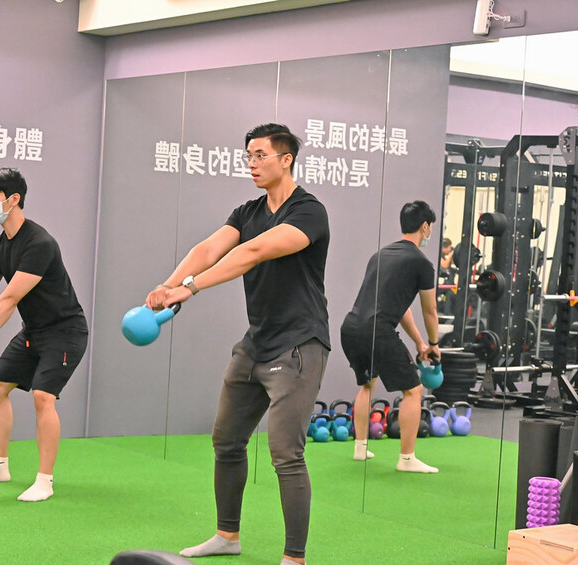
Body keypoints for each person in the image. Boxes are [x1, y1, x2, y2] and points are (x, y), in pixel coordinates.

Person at [146, 123, 330, 565]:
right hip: (256, 342)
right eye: (248, 156)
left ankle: (294, 558)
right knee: (227, 441)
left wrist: (189, 288)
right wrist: (168, 285)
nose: (252, 163)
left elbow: (252, 253)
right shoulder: (248, 212)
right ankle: (227, 535)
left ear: (286, 159)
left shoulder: (309, 212)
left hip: (298, 345)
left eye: (261, 155)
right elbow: (209, 248)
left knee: (286, 455)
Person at [0, 167, 88, 502]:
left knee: (43, 396)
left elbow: (9, 298)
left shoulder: (39, 243)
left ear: (14, 199)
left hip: (65, 331)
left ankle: (44, 480)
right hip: (34, 332)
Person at [340, 200, 440, 473]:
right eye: (430, 227)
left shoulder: (380, 255)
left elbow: (401, 307)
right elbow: (430, 310)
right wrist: (433, 344)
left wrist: (419, 342)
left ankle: (360, 448)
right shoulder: (421, 262)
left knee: (368, 384)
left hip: (351, 328)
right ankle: (407, 460)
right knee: (414, 391)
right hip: (377, 331)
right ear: (425, 227)